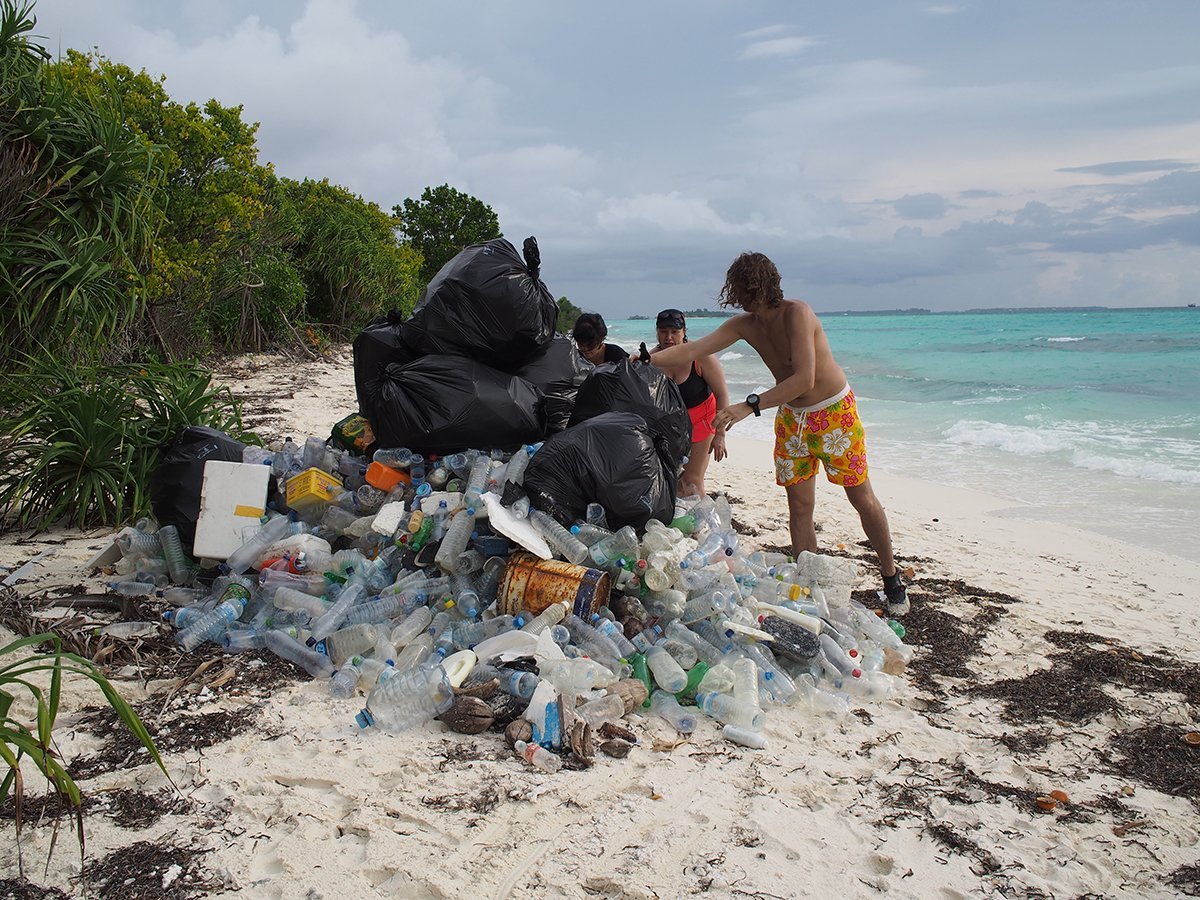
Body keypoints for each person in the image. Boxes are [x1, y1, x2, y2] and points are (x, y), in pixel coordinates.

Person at [647, 252, 909, 615]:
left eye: (740, 289)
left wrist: (747, 406)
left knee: (861, 497)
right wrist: (646, 359)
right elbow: (694, 348)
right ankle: (808, 588)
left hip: (834, 413)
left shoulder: (797, 314)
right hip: (792, 418)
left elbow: (805, 378)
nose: (736, 297)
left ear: (757, 287)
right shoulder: (745, 324)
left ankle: (892, 578)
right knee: (799, 507)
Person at [651, 309, 729, 498]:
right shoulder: (651, 359)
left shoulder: (702, 357)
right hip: (671, 425)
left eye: (674, 332)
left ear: (684, 332)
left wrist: (720, 434)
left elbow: (722, 395)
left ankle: (697, 526)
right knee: (670, 480)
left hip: (702, 421)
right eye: (663, 332)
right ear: (657, 332)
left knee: (692, 481)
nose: (668, 337)